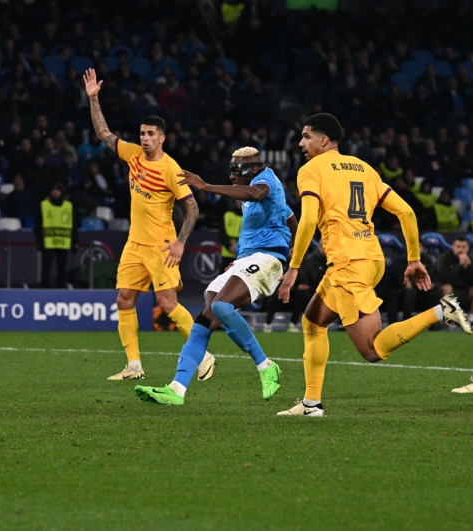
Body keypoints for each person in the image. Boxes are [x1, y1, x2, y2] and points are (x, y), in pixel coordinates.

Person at [276, 113, 470, 417]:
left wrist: (294, 266)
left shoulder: (310, 170)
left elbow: (310, 219)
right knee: (313, 322)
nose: (301, 143)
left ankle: (440, 311)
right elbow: (406, 212)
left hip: (347, 263)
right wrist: (414, 258)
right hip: (371, 256)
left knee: (371, 350)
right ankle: (311, 403)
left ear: (323, 140)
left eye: (306, 136)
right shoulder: (362, 168)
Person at [134, 147, 296, 405]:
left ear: (253, 169)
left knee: (222, 304)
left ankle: (266, 366)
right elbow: (290, 217)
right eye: (230, 170)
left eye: (236, 171)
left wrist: (290, 263)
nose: (232, 176)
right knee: (206, 314)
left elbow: (256, 193)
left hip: (268, 260)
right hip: (247, 260)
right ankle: (177, 388)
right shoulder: (256, 194)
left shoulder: (265, 179)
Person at [83, 68, 203, 381]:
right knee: (124, 299)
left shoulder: (170, 168)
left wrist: (180, 242)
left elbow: (192, 208)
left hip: (162, 247)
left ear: (162, 138)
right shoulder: (133, 155)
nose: (145, 138)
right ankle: (133, 366)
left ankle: (202, 355)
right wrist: (94, 99)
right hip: (135, 245)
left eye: (151, 134)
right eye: (142, 133)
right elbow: (103, 135)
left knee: (167, 305)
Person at [35, 183, 76, 289]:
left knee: (62, 269)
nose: (55, 192)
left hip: (63, 242)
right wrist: (39, 241)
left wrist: (75, 241)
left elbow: (73, 225)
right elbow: (38, 225)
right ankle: (44, 289)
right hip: (48, 242)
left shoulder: (68, 206)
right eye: (53, 189)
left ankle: (60, 289)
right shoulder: (44, 205)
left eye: (58, 190)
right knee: (46, 268)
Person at [436, 237, 473, 324]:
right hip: (450, 291)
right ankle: (450, 320)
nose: (460, 249)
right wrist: (459, 266)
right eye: (458, 246)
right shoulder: (444, 258)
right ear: (453, 246)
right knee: (447, 287)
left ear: (468, 248)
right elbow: (445, 279)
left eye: (464, 247)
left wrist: (469, 268)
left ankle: (472, 321)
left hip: (465, 293)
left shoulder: (471, 260)